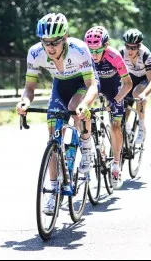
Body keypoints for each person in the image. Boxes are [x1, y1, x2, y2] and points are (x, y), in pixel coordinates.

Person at [16, 13, 99, 215]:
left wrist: (86, 104)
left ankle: (87, 145)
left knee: (75, 107)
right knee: (53, 134)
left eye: (55, 42)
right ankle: (53, 190)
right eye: (46, 42)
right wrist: (25, 101)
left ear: (65, 38)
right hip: (60, 86)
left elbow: (92, 85)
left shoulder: (79, 49)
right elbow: (29, 87)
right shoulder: (35, 53)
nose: (50, 47)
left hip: (82, 83)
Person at [84, 25, 133, 188]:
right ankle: (96, 148)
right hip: (94, 85)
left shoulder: (114, 56)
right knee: (84, 114)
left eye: (97, 50)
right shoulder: (85, 56)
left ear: (105, 45)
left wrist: (116, 100)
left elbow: (128, 83)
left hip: (114, 87)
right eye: (91, 50)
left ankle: (116, 165)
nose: (94, 54)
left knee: (115, 125)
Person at [119, 29, 151, 144]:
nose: (130, 50)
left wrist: (144, 94)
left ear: (139, 46)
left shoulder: (145, 54)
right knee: (123, 101)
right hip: (130, 78)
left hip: (144, 79)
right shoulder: (121, 52)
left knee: (137, 93)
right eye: (128, 46)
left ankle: (141, 127)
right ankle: (127, 128)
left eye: (134, 47)